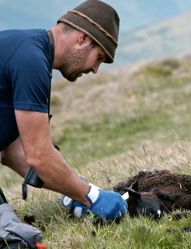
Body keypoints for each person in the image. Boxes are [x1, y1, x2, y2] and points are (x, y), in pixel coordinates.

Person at [0, 0, 127, 220]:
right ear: (83, 38)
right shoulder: (31, 61)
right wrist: (92, 196)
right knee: (13, 237)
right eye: (98, 58)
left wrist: (76, 192)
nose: (95, 70)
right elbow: (39, 156)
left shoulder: (27, 50)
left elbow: (12, 152)